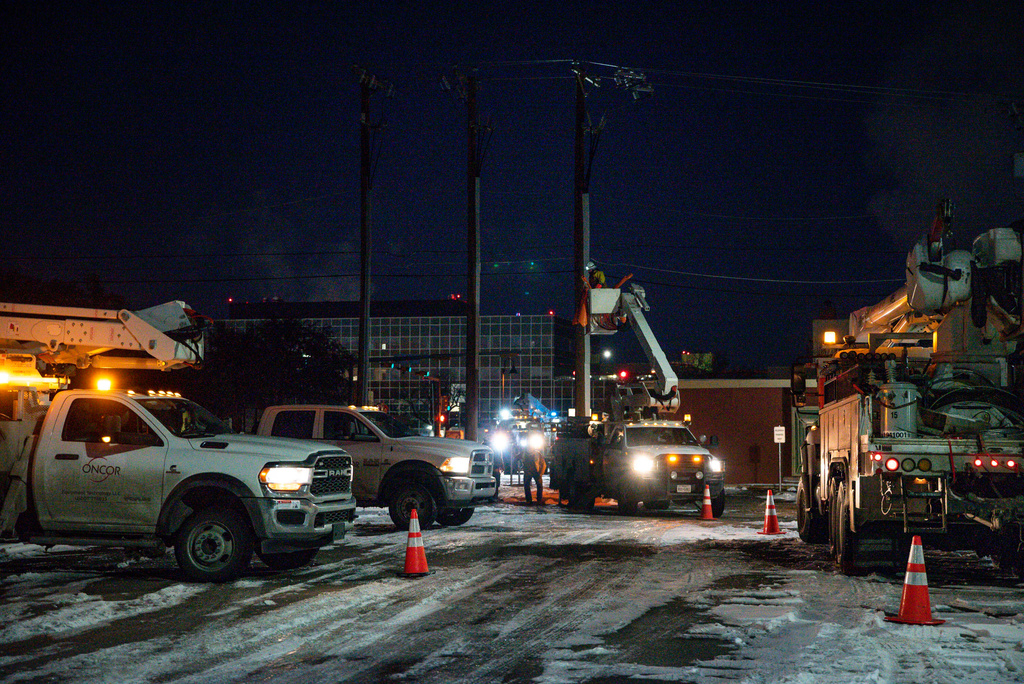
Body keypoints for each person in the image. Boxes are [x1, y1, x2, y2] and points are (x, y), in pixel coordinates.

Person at [523, 423, 547, 505]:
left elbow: (543, 464)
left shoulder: (537, 454)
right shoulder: (525, 453)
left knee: (538, 486)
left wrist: (540, 473)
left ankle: (538, 499)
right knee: (527, 486)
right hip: (529, 472)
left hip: (535, 472)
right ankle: (529, 499)